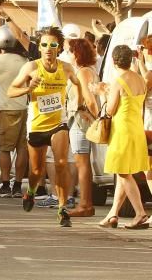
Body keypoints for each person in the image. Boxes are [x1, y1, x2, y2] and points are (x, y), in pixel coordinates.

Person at [8, 26, 98, 228]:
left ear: (59, 48)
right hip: (37, 124)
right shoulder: (31, 67)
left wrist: (80, 104)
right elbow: (11, 91)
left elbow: (77, 84)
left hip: (59, 122)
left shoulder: (66, 68)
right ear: (39, 47)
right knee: (37, 171)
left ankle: (62, 208)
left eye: (53, 44)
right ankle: (30, 192)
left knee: (62, 162)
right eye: (45, 44)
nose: (49, 48)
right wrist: (27, 88)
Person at [99, 45, 150, 230]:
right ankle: (113, 214)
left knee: (122, 173)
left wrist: (102, 93)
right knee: (124, 172)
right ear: (130, 60)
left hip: (122, 130)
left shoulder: (118, 81)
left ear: (113, 61)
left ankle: (139, 212)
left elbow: (111, 110)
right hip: (137, 129)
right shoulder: (140, 79)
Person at [0, 24, 30, 198]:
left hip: (6, 108)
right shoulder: (26, 62)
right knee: (22, 149)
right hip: (25, 107)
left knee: (5, 149)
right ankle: (18, 184)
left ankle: (5, 183)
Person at [65, 38, 100, 218]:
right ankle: (85, 203)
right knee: (83, 163)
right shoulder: (88, 70)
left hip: (80, 121)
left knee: (82, 163)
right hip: (82, 120)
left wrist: (95, 117)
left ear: (76, 53)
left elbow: (90, 100)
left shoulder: (83, 72)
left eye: (70, 51)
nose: (68, 55)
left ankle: (85, 203)